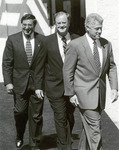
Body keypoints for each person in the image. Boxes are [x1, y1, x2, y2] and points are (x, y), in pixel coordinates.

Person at [63, 13, 118, 150]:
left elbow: (111, 66)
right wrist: (71, 93)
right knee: (95, 130)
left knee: (88, 130)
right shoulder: (75, 45)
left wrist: (114, 88)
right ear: (87, 27)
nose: (100, 31)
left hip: (100, 95)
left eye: (101, 28)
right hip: (84, 95)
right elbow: (67, 70)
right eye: (97, 28)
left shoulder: (106, 44)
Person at [35, 11, 79, 150]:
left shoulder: (77, 40)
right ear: (55, 24)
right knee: (60, 118)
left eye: (64, 23)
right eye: (58, 23)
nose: (61, 25)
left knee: (69, 117)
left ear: (68, 23)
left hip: (72, 88)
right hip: (54, 87)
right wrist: (38, 86)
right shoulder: (46, 41)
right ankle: (65, 147)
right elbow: (39, 65)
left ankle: (65, 140)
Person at [2, 14, 46, 150]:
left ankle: (35, 142)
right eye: (24, 25)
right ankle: (19, 135)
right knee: (20, 112)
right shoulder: (12, 40)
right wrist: (8, 82)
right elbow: (7, 63)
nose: (27, 28)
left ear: (34, 25)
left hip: (37, 85)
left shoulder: (42, 40)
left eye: (30, 25)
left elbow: (44, 64)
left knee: (36, 115)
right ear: (21, 24)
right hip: (19, 84)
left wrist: (42, 85)